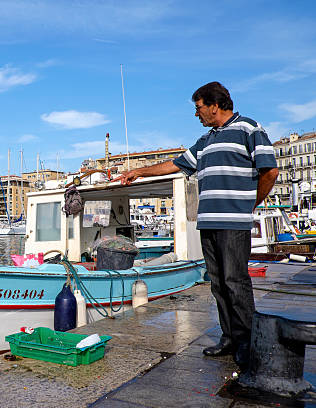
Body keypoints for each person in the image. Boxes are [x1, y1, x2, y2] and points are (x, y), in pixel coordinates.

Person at [113, 81, 278, 370]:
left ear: (215, 105)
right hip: (209, 222)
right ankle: (229, 338)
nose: (197, 114)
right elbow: (176, 164)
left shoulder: (249, 129)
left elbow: (270, 169)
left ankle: (247, 344)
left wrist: (251, 203)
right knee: (217, 282)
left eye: (198, 108)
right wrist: (138, 171)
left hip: (233, 222)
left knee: (235, 282)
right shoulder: (207, 140)